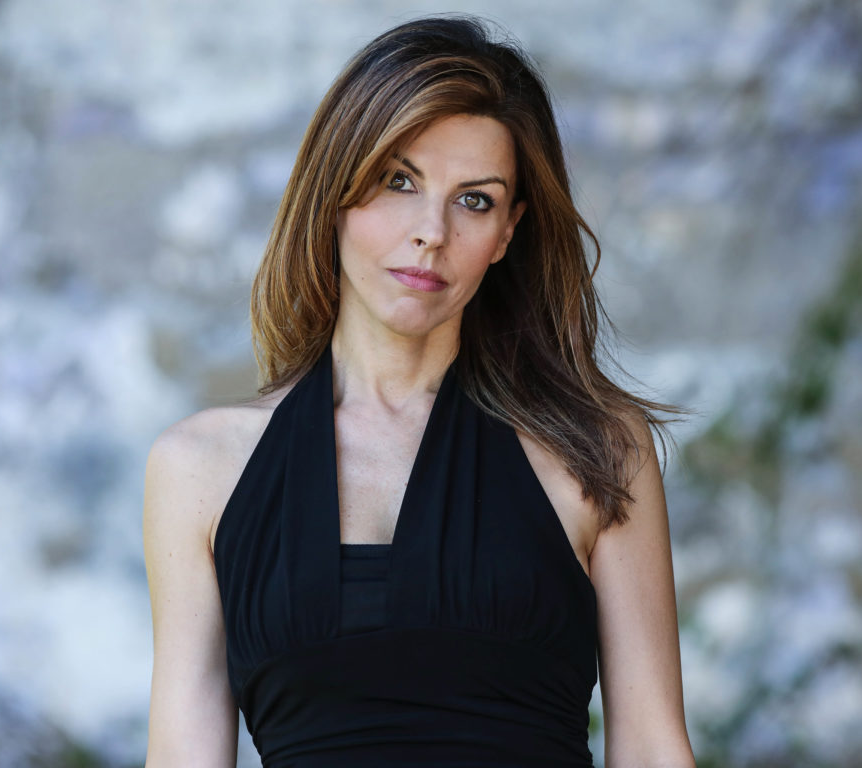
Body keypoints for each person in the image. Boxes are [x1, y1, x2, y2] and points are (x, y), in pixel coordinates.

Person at [143, 15, 696, 768]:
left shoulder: (595, 447)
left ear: (508, 233)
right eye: (398, 181)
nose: (431, 231)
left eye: (475, 200)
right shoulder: (198, 468)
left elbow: (654, 748)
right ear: (336, 193)